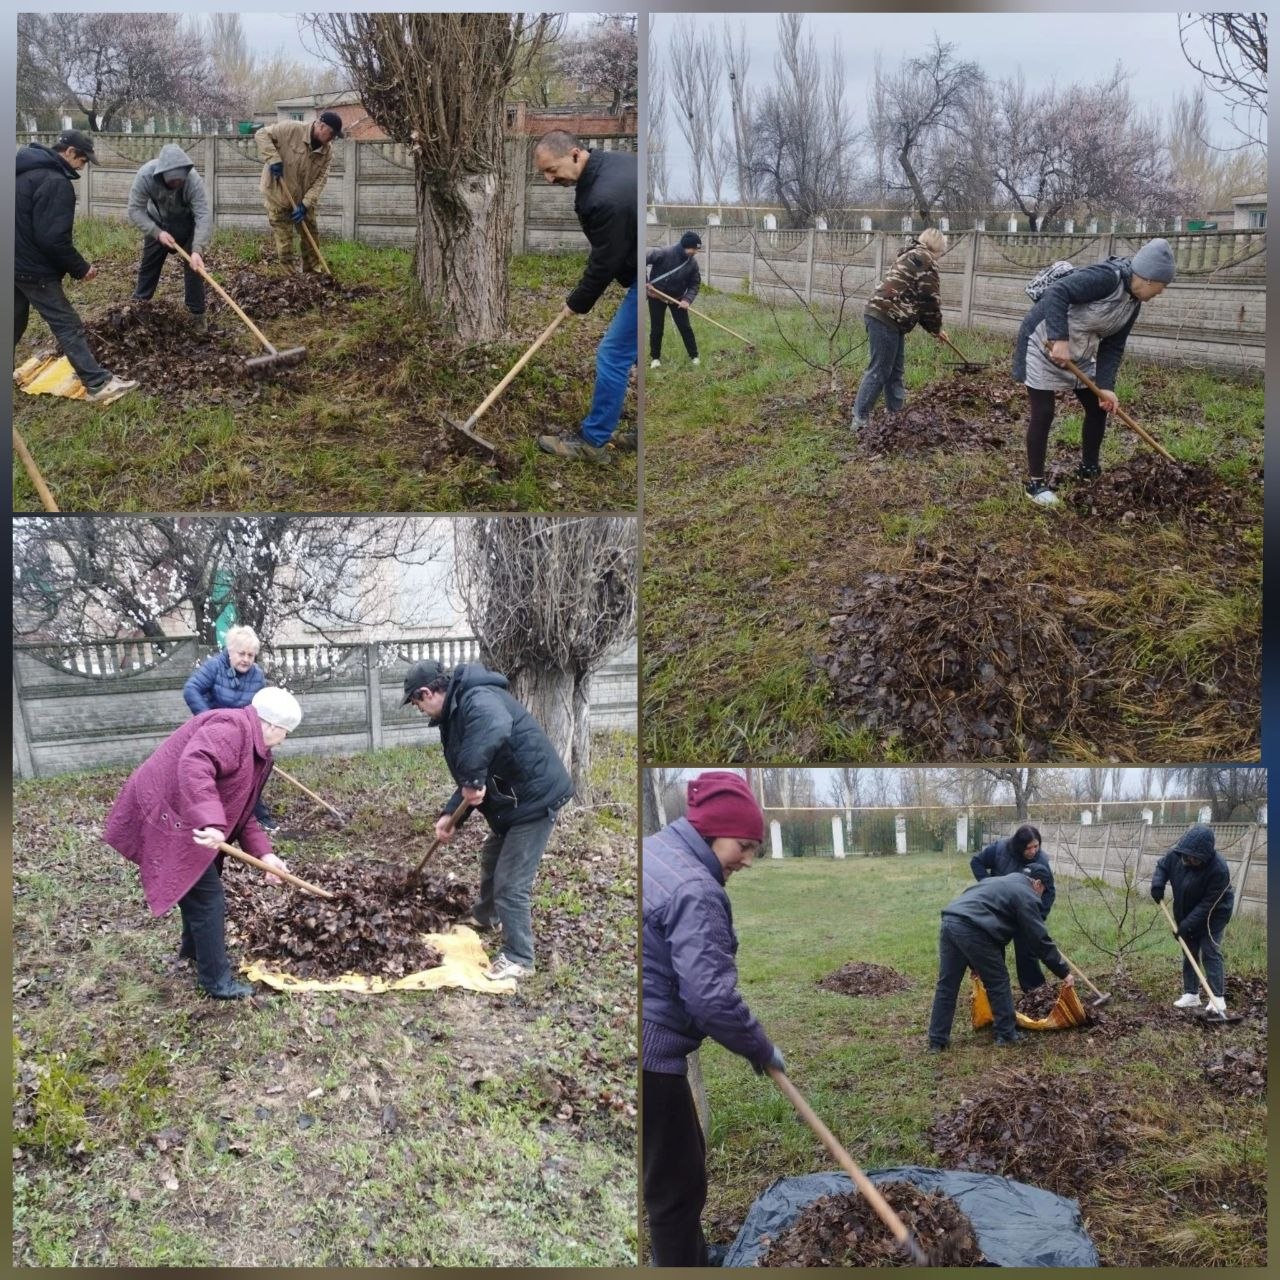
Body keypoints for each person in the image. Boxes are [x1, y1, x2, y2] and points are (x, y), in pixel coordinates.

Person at [642, 772, 785, 1267]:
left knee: (671, 1170)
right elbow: (711, 998)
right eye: (743, 846)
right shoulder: (696, 889)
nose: (747, 860)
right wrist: (760, 1048)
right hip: (651, 1055)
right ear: (712, 831)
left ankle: (690, 1257)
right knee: (677, 1185)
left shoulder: (656, 850)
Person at [102, 688, 299, 999]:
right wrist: (211, 820)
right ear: (272, 726)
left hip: (188, 815)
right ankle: (216, 981)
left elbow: (243, 810)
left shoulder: (252, 746)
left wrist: (265, 855)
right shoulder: (232, 729)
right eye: (285, 733)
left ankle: (194, 951)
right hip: (170, 813)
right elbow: (195, 764)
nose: (283, 741)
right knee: (208, 898)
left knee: (196, 883)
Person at [402, 658, 574, 981]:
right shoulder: (455, 713)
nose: (419, 710)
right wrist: (450, 815)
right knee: (492, 856)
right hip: (514, 800)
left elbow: (493, 727)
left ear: (426, 693)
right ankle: (486, 916)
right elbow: (472, 774)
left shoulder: (477, 698)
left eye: (416, 703)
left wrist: (472, 778)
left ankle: (520, 956)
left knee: (510, 883)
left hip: (535, 799)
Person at [1012, 238, 1175, 505]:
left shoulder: (1133, 303)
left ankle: (1089, 469)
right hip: (1044, 342)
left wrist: (1106, 386)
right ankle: (1035, 485)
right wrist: (1059, 338)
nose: (1162, 292)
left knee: (1099, 406)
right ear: (1148, 278)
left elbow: (1113, 346)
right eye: (1161, 286)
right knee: (1044, 411)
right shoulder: (1106, 278)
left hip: (1079, 352)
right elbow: (1057, 292)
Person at [531, 131, 638, 463]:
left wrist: (576, 302)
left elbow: (604, 262)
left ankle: (593, 442)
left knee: (613, 354)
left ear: (576, 154)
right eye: (544, 173)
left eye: (552, 170)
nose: (550, 180)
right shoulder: (618, 164)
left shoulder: (603, 197)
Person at [14, 129, 138, 404]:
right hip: (34, 269)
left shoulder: (19, 173)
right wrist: (81, 268)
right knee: (67, 325)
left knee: (11, 322)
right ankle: (98, 383)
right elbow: (52, 238)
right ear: (69, 152)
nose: (83, 166)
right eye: (83, 160)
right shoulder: (55, 182)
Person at [927, 866, 1073, 1051]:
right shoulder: (1026, 893)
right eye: (1043, 891)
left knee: (947, 985)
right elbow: (1039, 940)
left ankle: (937, 1041)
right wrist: (1064, 972)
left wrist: (976, 964)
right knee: (998, 981)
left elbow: (992, 936)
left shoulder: (1000, 882)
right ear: (1037, 883)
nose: (1040, 896)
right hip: (974, 929)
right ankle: (1006, 1034)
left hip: (950, 921)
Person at [852, 227, 948, 430]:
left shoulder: (910, 255)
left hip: (888, 317)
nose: (941, 256)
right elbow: (929, 300)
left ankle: (896, 417)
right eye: (942, 252)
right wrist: (936, 328)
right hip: (887, 317)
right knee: (880, 370)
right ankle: (859, 420)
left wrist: (934, 329)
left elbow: (916, 301)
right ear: (938, 248)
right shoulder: (926, 260)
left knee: (895, 371)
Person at [183, 627, 274, 830]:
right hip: (214, 732)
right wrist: (209, 718)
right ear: (230, 651)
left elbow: (258, 708)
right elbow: (191, 689)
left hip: (243, 733)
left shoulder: (257, 676)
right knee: (218, 774)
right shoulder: (215, 666)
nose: (246, 659)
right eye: (242, 654)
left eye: (251, 655)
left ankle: (255, 814)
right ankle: (211, 816)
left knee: (254, 771)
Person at [127, 143, 213, 334]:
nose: (177, 184)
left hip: (187, 225)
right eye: (173, 181)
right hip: (157, 224)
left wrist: (197, 250)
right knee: (148, 267)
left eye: (180, 181)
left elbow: (203, 215)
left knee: (195, 269)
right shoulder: (145, 176)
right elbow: (134, 210)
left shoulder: (192, 180)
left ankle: (197, 315)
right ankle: (138, 310)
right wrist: (156, 232)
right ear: (162, 175)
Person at [1150, 823, 1234, 1014]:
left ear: (1205, 856)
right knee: (1189, 949)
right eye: (1188, 857)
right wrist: (1158, 884)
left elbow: (1207, 905)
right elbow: (1162, 866)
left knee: (1209, 951)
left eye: (1196, 859)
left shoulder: (1219, 869)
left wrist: (1185, 926)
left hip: (1214, 913)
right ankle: (1191, 994)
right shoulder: (1177, 855)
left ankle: (1217, 998)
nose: (1190, 861)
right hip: (1186, 909)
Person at [970, 824, 1055, 991]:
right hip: (999, 909)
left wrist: (1037, 917)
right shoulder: (1000, 850)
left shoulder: (1041, 861)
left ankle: (1034, 990)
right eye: (1028, 848)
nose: (1033, 851)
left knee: (1027, 951)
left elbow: (1049, 891)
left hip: (1025, 912)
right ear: (1019, 846)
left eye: (1036, 846)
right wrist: (989, 884)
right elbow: (976, 862)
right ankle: (995, 989)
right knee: (994, 949)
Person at [256, 112, 342, 272]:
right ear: (321, 125)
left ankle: (313, 272)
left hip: (302, 199)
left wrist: (305, 205)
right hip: (278, 195)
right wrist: (273, 159)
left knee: (311, 236)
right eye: (331, 133)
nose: (332, 138)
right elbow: (261, 134)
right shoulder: (291, 129)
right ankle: (289, 278)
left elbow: (320, 181)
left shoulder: (327, 152)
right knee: (285, 242)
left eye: (335, 135)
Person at [646, 232, 701, 368]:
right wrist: (645, 281)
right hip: (656, 296)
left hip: (677, 298)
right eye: (694, 249)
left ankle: (694, 356)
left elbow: (695, 284)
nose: (695, 252)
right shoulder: (664, 252)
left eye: (697, 249)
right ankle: (655, 358)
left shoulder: (692, 264)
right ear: (686, 246)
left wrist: (687, 300)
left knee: (685, 327)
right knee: (657, 328)